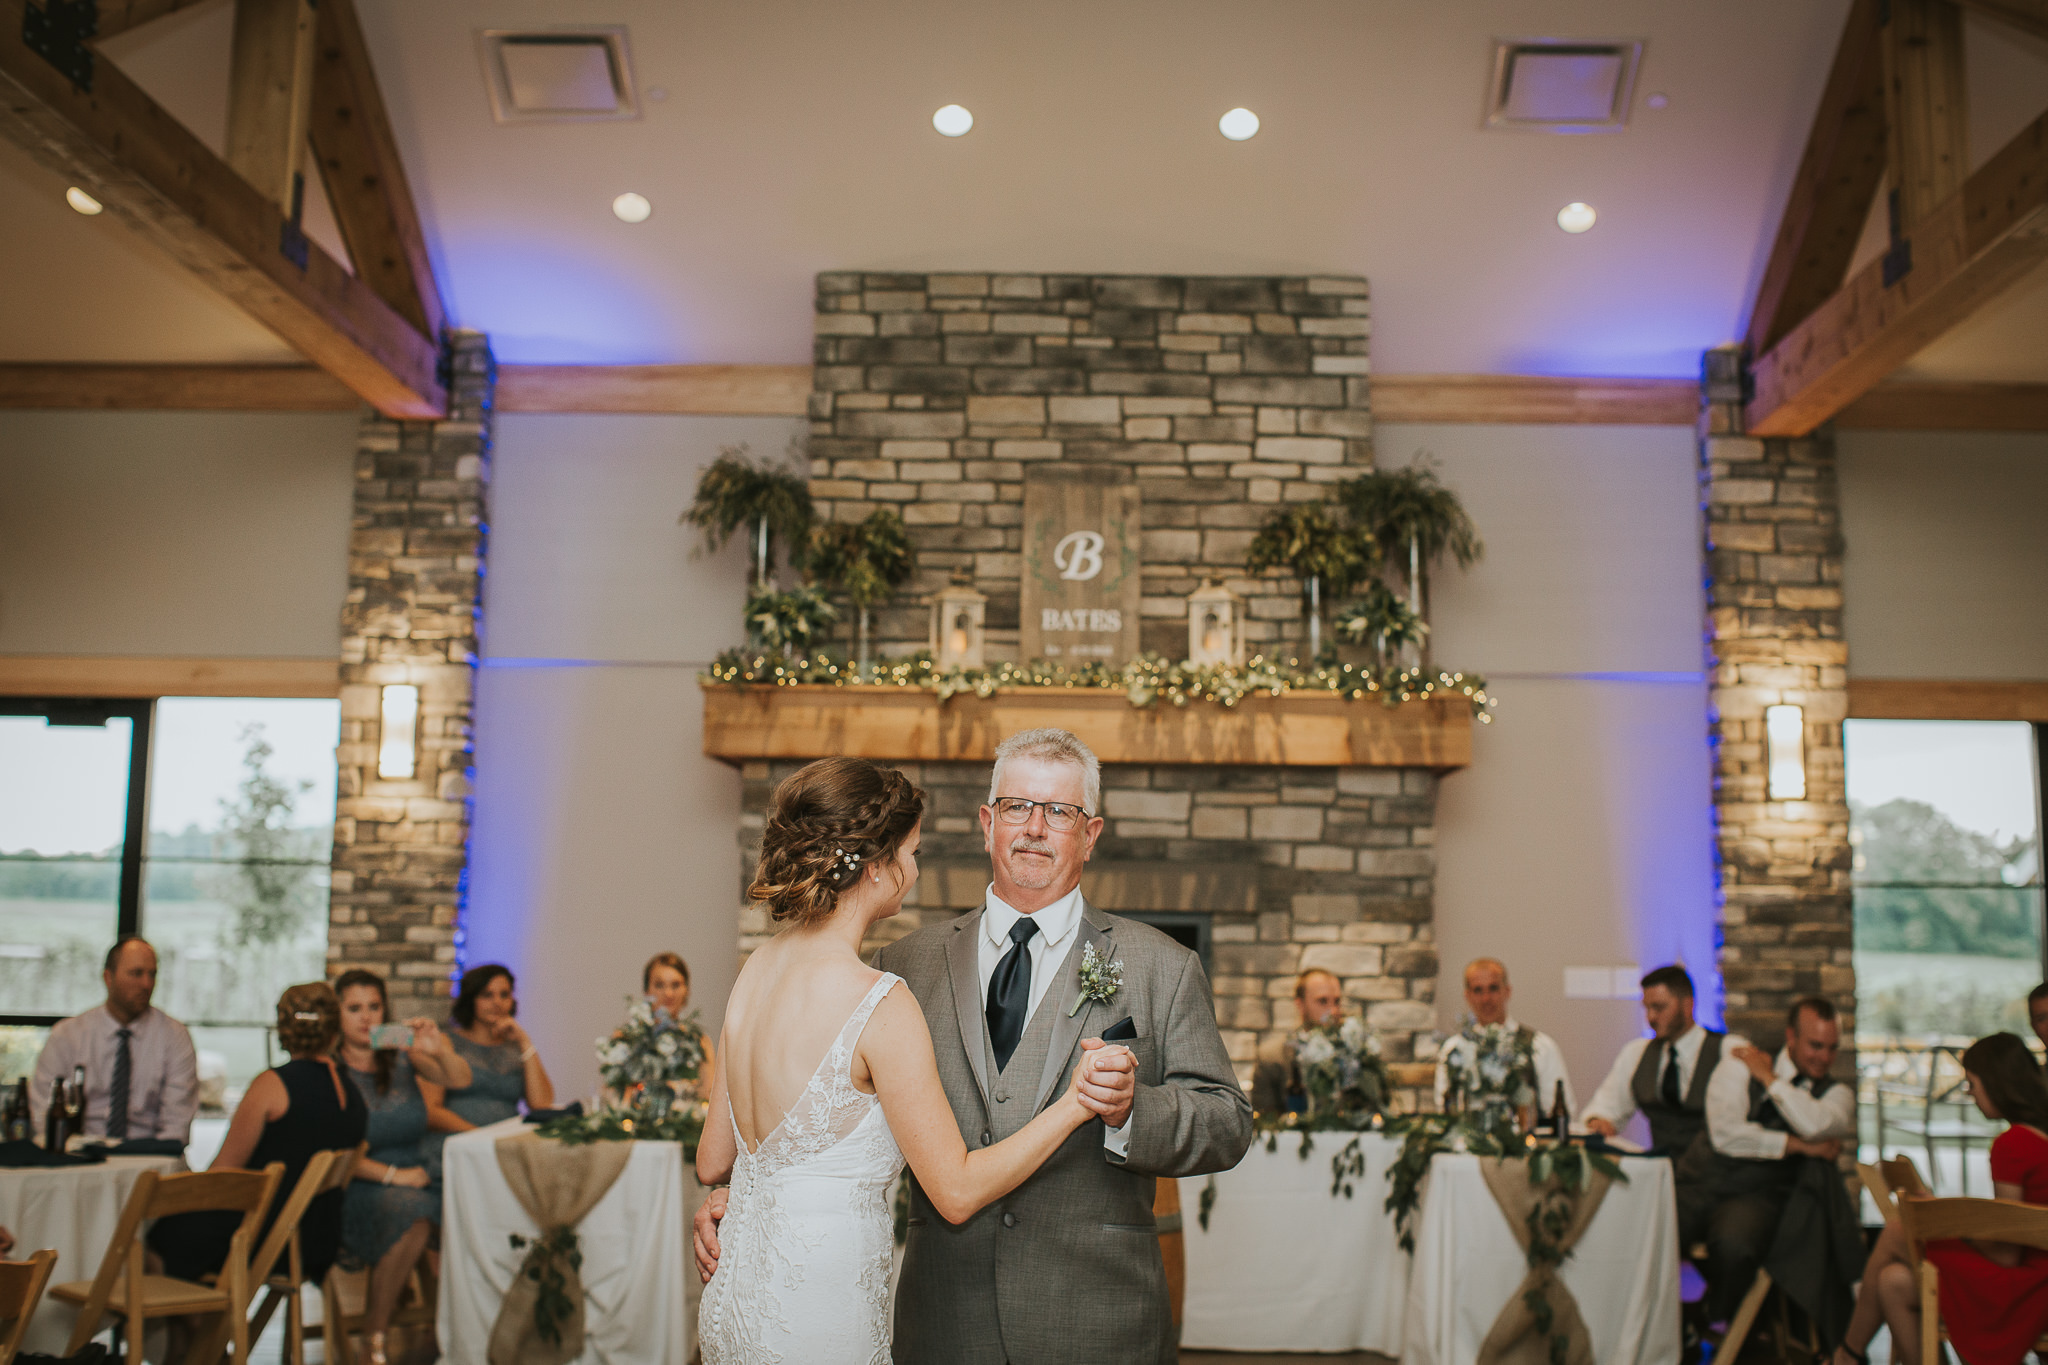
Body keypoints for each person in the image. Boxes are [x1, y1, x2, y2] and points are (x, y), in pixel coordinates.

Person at [698, 731, 1255, 1364]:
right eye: (1018, 807)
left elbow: (1227, 1122)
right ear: (988, 824)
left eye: (1060, 811)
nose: (1035, 828)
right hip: (943, 1324)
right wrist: (749, 1200)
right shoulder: (898, 967)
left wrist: (1131, 1111)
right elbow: (816, 1109)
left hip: (1095, 1324)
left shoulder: (1163, 966)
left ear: (1091, 834)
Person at [148, 983, 367, 1336]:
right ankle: (196, 1342)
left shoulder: (273, 1085)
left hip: (267, 1238)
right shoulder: (349, 1091)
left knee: (159, 1237)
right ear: (334, 1030)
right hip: (317, 1238)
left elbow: (223, 1174)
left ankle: (194, 1343)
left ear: (283, 1029)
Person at [1833, 1031, 2048, 1365]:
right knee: (1893, 1282)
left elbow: (2006, 1253)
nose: (1969, 1093)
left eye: (1972, 1083)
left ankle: (1847, 1354)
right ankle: (1848, 1355)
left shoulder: (2013, 1144)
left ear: (1996, 1083)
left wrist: (1947, 1225)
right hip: (2037, 1280)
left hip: (2027, 1288)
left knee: (1898, 1230)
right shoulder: (2039, 1137)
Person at [334, 969, 471, 1365]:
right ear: (337, 1014)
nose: (366, 1017)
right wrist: (396, 1177)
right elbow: (335, 1151)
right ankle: (373, 1338)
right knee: (414, 1215)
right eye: (354, 1008)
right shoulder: (331, 1068)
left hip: (419, 1171)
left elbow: (460, 1080)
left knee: (474, 1205)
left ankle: (459, 1329)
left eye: (374, 1007)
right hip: (359, 1180)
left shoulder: (398, 1051)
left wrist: (437, 1049)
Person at [1698, 996, 1858, 1327]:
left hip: (1781, 1199)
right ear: (1791, 1037)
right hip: (1717, 1182)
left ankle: (1725, 1322)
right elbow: (1727, 1134)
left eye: (1832, 1048)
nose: (1824, 1057)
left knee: (1735, 1242)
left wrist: (1770, 1080)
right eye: (1816, 1045)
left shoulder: (1839, 1094)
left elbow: (1813, 1124)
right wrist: (1801, 1146)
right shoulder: (1743, 1064)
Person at [1583, 964, 1727, 1239]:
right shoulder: (1636, 1053)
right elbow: (1607, 1105)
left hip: (1715, 1182)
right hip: (1662, 1179)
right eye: (1647, 1008)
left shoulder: (1725, 1051)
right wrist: (1599, 1121)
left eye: (1659, 1008)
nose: (1650, 1017)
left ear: (1688, 1004)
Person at [30, 937, 198, 1144]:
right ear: (108, 978)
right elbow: (42, 1113)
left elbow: (176, 1126)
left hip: (148, 1152)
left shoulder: (174, 1036)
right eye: (136, 973)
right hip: (79, 1150)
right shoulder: (67, 1035)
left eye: (152, 974)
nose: (147, 984)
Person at [419, 964, 554, 1176]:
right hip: (460, 1146)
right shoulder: (445, 1044)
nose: (497, 1002)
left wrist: (524, 1041)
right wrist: (482, 1136)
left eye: (504, 995)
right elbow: (430, 1111)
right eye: (487, 995)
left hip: (507, 1149)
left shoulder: (515, 1049)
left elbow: (541, 1104)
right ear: (471, 999)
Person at [1432, 957, 1576, 1117]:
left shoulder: (1540, 1045)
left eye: (1493, 988)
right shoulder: (1453, 1049)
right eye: (1478, 990)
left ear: (1507, 991)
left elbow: (1561, 1111)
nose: (1486, 999)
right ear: (1468, 996)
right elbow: (1444, 1109)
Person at [1250, 969, 1344, 1115]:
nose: (1333, 1011)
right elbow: (1264, 1121)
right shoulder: (1272, 1057)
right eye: (1322, 1001)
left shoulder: (1353, 1052)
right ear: (1300, 1004)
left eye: (1337, 1002)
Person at [644, 951, 717, 1096]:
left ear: (686, 991)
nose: (668, 993)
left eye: (675, 985)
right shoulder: (628, 1041)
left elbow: (708, 1095)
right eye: (659, 985)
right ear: (647, 991)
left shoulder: (700, 1042)